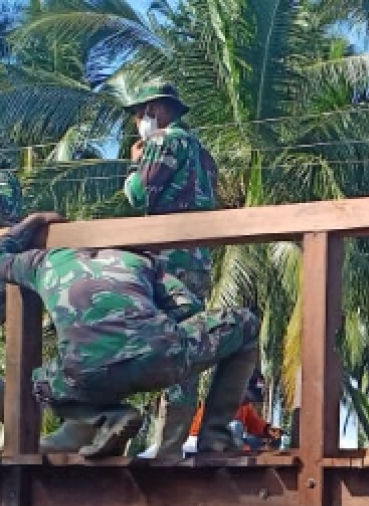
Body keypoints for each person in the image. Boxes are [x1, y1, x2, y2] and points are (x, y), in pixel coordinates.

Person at [0, 213, 260, 458]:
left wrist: (34, 221)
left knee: (41, 383)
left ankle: (104, 416)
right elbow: (186, 307)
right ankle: (215, 435)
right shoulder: (141, 260)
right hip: (159, 358)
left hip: (84, 375)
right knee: (246, 323)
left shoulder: (41, 263)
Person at [123, 82, 221, 458]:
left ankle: (160, 445)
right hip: (196, 260)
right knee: (186, 343)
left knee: (158, 343)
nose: (137, 122)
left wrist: (136, 162)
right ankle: (170, 444)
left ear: (156, 111)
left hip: (169, 261)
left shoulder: (164, 141)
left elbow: (139, 194)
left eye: (139, 113)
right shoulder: (202, 153)